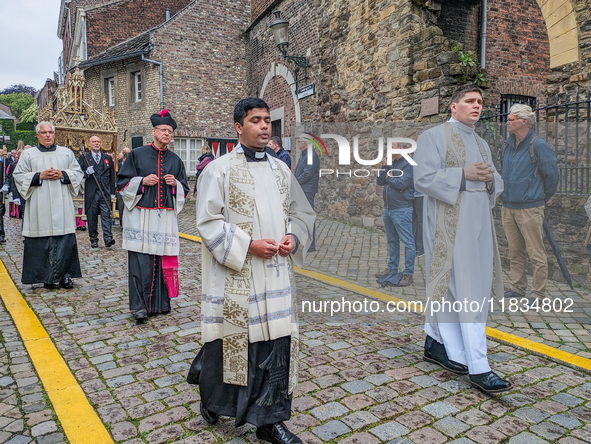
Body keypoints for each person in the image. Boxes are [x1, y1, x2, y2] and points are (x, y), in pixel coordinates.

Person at [194, 97, 314, 444]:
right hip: (237, 276)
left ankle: (270, 422)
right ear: (238, 127)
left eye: (267, 121)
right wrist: (248, 246)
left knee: (275, 344)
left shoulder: (281, 169)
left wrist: (293, 235)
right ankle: (213, 398)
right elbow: (207, 222)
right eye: (256, 120)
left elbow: (301, 212)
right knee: (232, 343)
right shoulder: (218, 170)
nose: (264, 126)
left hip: (275, 273)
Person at [414, 84, 512, 394]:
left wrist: (489, 178)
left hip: (479, 223)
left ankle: (435, 342)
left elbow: (497, 181)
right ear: (453, 107)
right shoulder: (433, 136)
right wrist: (462, 174)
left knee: (463, 286)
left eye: (480, 102)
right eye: (469, 101)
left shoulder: (482, 143)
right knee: (463, 287)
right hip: (448, 222)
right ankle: (479, 366)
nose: (477, 106)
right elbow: (423, 179)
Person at [117, 110, 189, 323]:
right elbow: (121, 183)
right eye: (163, 130)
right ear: (154, 131)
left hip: (164, 218)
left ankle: (160, 303)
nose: (167, 134)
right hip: (140, 216)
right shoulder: (137, 154)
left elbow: (185, 187)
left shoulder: (176, 160)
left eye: (170, 131)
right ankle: (140, 306)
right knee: (141, 262)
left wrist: (175, 184)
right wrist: (141, 181)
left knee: (161, 260)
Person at [13, 122, 84, 289]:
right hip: (39, 204)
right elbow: (18, 175)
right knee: (41, 241)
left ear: (54, 134)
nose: (47, 135)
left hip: (62, 203)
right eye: (43, 132)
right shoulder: (28, 154)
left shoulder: (66, 153)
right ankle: (46, 277)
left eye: (50, 132)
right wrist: (39, 176)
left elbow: (78, 173)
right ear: (37, 135)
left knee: (64, 240)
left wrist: (62, 174)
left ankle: (65, 276)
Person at [501, 104, 559, 302]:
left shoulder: (538, 145)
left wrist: (538, 199)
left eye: (511, 120)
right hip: (508, 207)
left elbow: (551, 177)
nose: (507, 122)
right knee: (514, 252)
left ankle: (538, 293)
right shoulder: (507, 145)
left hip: (530, 208)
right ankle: (517, 288)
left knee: (536, 253)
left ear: (524, 122)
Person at [375, 146, 415, 286]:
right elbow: (380, 181)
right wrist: (385, 166)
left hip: (402, 209)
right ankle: (392, 268)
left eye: (393, 147)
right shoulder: (392, 164)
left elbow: (402, 184)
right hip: (388, 209)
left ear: (401, 148)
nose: (389, 149)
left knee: (408, 242)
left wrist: (388, 178)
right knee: (392, 241)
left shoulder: (409, 164)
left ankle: (408, 273)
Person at [79, 135, 116, 248]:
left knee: (106, 214)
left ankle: (108, 238)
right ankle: (93, 239)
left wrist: (112, 191)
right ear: (89, 144)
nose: (96, 143)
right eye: (94, 141)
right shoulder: (84, 157)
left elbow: (112, 176)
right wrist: (86, 173)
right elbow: (78, 174)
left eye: (98, 141)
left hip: (104, 191)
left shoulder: (107, 158)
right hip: (92, 192)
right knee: (92, 216)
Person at [295, 136, 320, 252]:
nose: (298, 144)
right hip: (303, 189)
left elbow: (307, 173)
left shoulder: (310, 155)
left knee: (308, 216)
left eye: (299, 142)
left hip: (307, 190)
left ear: (305, 143)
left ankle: (311, 244)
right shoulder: (305, 154)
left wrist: (295, 182)